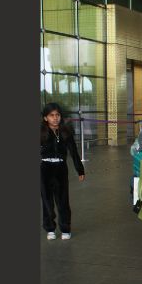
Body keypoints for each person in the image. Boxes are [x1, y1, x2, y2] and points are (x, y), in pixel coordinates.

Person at [40, 103, 85, 240]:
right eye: (51, 115)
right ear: (45, 118)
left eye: (57, 115)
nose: (55, 118)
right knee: (47, 201)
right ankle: (50, 228)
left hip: (61, 170)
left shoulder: (66, 132)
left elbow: (74, 152)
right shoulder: (41, 132)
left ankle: (65, 228)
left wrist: (80, 170)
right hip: (45, 169)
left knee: (63, 201)